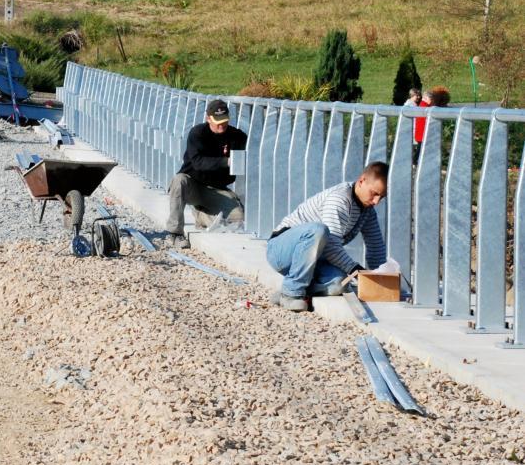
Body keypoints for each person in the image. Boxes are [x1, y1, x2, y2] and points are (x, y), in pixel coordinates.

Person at [266, 161, 388, 312]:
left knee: (340, 284)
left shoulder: (367, 210)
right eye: (375, 193)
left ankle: (288, 291)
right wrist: (358, 271)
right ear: (362, 181)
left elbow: (375, 246)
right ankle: (291, 293)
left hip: (313, 259)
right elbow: (331, 246)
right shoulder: (340, 199)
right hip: (281, 250)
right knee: (319, 230)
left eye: (382, 197)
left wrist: (382, 279)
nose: (376, 201)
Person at [166, 99, 247, 249]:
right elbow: (198, 162)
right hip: (194, 185)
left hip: (218, 189)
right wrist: (226, 161)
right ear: (208, 118)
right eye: (217, 121)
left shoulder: (238, 136)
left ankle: (202, 215)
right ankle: (175, 233)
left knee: (238, 218)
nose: (221, 125)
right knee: (178, 181)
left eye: (224, 121)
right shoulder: (198, 133)